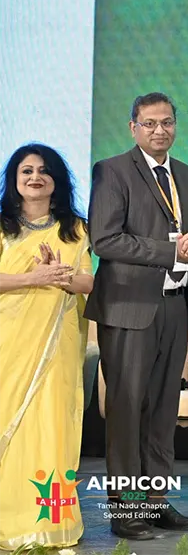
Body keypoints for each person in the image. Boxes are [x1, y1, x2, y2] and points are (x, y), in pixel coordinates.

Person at [86, 93, 188, 540]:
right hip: (128, 308)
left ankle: (155, 502)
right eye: (149, 123)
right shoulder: (112, 171)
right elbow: (105, 240)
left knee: (163, 412)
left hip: (176, 304)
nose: (160, 130)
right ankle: (127, 511)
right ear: (133, 127)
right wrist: (170, 251)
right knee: (127, 412)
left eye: (167, 122)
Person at [0, 145, 93, 551]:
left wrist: (62, 276)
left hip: (57, 346)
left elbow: (90, 282)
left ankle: (50, 524)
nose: (35, 177)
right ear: (14, 180)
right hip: (8, 343)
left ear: (57, 179)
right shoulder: (2, 227)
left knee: (53, 427)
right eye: (26, 171)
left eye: (43, 170)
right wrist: (34, 277)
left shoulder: (76, 229)